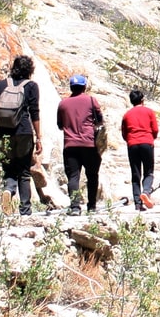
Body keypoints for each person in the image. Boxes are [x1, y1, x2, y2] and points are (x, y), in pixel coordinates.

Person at [0, 55, 42, 215]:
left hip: (4, 133)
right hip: (24, 132)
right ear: (30, 70)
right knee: (24, 170)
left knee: (9, 168)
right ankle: (25, 209)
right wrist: (38, 137)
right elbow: (34, 112)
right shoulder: (31, 86)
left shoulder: (2, 85)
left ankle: (9, 191)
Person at [56, 74, 105, 214]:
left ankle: (75, 207)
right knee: (92, 175)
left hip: (70, 145)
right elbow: (99, 120)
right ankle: (91, 206)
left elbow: (60, 125)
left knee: (73, 177)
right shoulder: (91, 100)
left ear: (71, 87)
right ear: (84, 86)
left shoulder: (63, 104)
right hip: (89, 144)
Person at [121, 88, 160, 210]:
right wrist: (150, 138)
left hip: (132, 144)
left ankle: (138, 203)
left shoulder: (127, 115)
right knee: (148, 172)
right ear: (142, 100)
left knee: (135, 174)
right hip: (146, 143)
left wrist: (130, 141)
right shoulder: (149, 112)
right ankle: (146, 191)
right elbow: (155, 129)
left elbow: (124, 132)